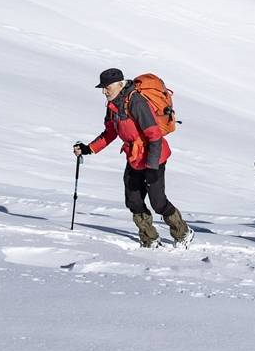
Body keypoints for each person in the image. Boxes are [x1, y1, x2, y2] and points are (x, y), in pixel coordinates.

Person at [73, 68, 193, 249]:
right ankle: (149, 238)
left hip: (154, 157)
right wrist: (89, 148)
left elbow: (154, 136)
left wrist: (152, 167)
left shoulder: (136, 102)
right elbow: (110, 132)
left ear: (120, 84)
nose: (104, 91)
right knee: (133, 200)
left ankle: (182, 232)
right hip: (134, 158)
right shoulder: (113, 106)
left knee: (158, 203)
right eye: (102, 88)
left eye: (107, 87)